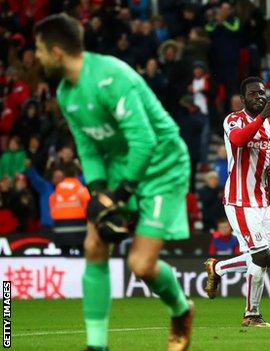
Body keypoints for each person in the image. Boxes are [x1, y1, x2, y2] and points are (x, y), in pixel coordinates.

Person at [34, 14, 194, 351]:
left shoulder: (111, 77)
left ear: (57, 52)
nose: (36, 56)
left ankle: (181, 309)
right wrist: (97, 192)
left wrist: (120, 193)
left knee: (141, 265)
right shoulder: (65, 92)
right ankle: (97, 346)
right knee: (94, 245)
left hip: (161, 165)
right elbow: (88, 146)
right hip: (120, 165)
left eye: (39, 49)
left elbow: (145, 141)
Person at [203, 77, 270, 328]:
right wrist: (262, 117)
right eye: (253, 94)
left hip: (262, 200)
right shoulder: (233, 119)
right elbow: (238, 140)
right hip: (238, 200)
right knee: (259, 257)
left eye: (262, 93)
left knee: (267, 258)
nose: (259, 96)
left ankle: (218, 268)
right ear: (243, 98)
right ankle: (251, 314)